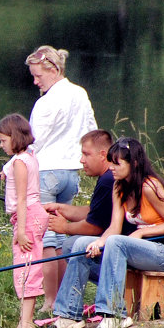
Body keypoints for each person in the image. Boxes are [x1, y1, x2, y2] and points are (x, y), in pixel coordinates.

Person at [48, 137, 164, 328]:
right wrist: (99, 242)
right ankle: (69, 314)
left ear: (134, 163)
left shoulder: (150, 187)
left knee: (116, 242)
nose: (111, 167)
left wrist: (142, 231)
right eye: (110, 161)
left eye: (117, 163)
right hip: (141, 250)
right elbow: (114, 227)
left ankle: (114, 315)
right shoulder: (119, 187)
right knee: (80, 244)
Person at [25, 45, 98, 313]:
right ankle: (68, 299)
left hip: (45, 174)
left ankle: (50, 301)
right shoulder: (80, 93)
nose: (35, 82)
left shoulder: (45, 103)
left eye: (38, 76)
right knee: (62, 237)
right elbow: (92, 132)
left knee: (46, 242)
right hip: (71, 175)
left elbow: (34, 143)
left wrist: (15, 168)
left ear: (53, 69)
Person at [41, 129, 136, 318]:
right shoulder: (109, 177)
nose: (81, 160)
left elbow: (95, 227)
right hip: (123, 246)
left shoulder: (109, 180)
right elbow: (94, 212)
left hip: (126, 249)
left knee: (70, 245)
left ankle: (113, 290)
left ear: (103, 155)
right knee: (74, 243)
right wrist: (60, 208)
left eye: (86, 154)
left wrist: (64, 227)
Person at [0, 113, 48, 328]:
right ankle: (23, 324)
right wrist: (6, 171)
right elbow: (18, 165)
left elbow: (23, 199)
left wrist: (22, 231)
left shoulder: (18, 163)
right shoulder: (29, 156)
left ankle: (26, 326)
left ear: (15, 138)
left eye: (3, 141)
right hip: (35, 216)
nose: (0, 145)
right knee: (28, 268)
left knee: (26, 271)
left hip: (27, 218)